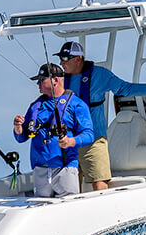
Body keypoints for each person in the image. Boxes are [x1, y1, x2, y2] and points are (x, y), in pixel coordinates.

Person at [55, 41, 146, 191]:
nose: (61, 62)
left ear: (78, 59)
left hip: (93, 139)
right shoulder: (59, 79)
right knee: (68, 184)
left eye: (65, 58)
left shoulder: (100, 75)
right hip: (66, 140)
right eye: (60, 58)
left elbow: (126, 89)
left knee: (99, 181)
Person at [13, 63, 94, 198]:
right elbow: (21, 138)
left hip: (65, 169)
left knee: (68, 209)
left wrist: (70, 141)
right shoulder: (35, 106)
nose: (38, 84)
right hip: (40, 171)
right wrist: (17, 128)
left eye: (41, 80)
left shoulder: (77, 104)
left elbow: (89, 135)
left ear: (55, 80)